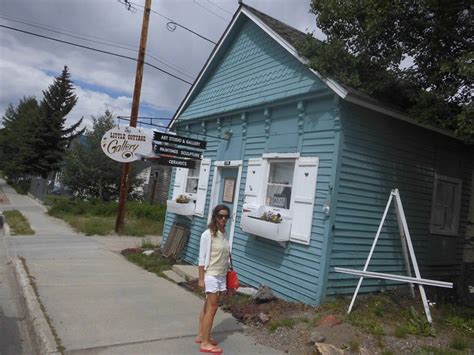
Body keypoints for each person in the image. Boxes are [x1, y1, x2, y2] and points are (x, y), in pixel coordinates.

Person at [196, 205, 231, 354]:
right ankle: (205, 343)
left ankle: (201, 335)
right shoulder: (207, 234)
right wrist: (201, 278)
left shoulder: (223, 233)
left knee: (207, 306)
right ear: (215, 216)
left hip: (221, 274)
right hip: (211, 275)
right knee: (213, 308)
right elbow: (202, 259)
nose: (223, 219)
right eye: (221, 216)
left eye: (226, 217)